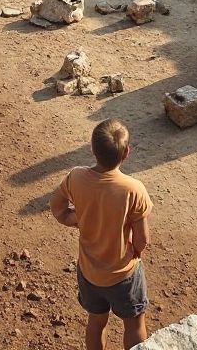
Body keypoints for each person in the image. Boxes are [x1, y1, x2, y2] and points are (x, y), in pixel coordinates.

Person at [51, 120, 152, 350]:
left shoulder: (76, 177)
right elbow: (142, 238)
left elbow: (58, 208)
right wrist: (136, 251)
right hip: (123, 275)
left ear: (92, 149)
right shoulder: (133, 189)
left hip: (89, 273)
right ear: (127, 153)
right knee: (135, 324)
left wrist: (78, 219)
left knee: (96, 322)